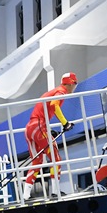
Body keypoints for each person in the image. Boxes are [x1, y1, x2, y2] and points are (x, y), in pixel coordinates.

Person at [22, 72, 78, 200]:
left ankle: (26, 194)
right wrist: (65, 123)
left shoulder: (53, 91)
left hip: (30, 128)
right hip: (39, 126)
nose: (75, 87)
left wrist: (49, 130)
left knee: (37, 161)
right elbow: (54, 105)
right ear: (71, 83)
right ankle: (55, 192)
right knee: (56, 159)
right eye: (75, 83)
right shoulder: (61, 91)